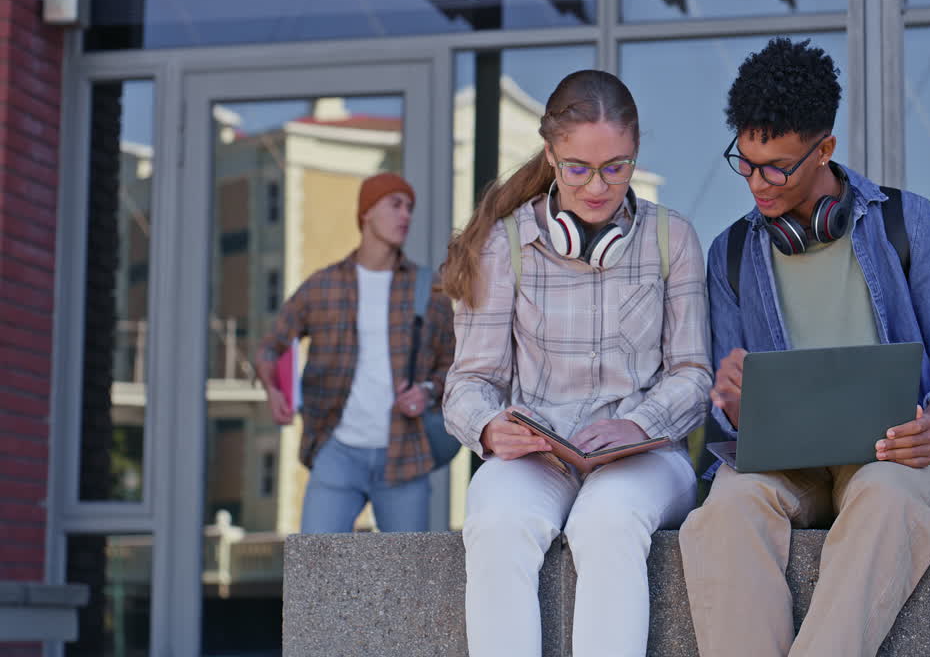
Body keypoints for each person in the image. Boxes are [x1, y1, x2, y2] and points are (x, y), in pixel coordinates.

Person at [678, 37, 930, 656]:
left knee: (881, 497)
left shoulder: (908, 222)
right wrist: (734, 399)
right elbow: (729, 410)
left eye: (778, 167)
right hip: (783, 464)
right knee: (723, 511)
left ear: (825, 148)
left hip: (893, 458)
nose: (757, 184)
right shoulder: (731, 254)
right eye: (745, 162)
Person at [441, 69, 711, 657]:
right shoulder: (503, 245)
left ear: (635, 155)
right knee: (496, 526)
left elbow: (693, 374)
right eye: (579, 169)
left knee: (606, 523)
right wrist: (491, 426)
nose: (597, 186)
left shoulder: (674, 239)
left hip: (644, 456)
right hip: (541, 456)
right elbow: (468, 383)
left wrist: (639, 423)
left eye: (617, 166)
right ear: (551, 156)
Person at [255, 171, 455, 534]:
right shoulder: (323, 286)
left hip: (404, 454)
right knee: (314, 569)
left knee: (407, 577)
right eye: (395, 205)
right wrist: (275, 391)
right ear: (366, 213)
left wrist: (426, 392)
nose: (405, 215)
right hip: (337, 450)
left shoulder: (429, 288)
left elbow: (456, 366)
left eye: (410, 207)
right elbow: (271, 348)